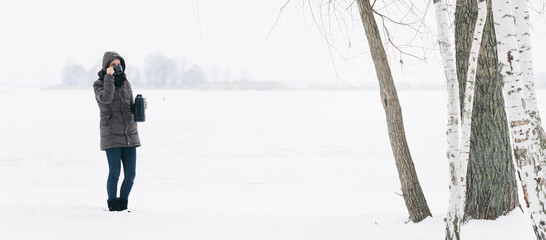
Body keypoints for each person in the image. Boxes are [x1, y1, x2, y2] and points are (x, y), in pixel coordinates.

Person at [93, 51, 144, 212]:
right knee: (115, 173)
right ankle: (113, 207)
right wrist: (109, 78)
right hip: (111, 134)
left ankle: (123, 206)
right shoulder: (99, 84)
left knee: (131, 175)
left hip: (129, 134)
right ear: (106, 66)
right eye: (113, 64)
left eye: (118, 64)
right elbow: (106, 99)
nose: (117, 67)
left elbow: (128, 107)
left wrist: (139, 106)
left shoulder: (126, 83)